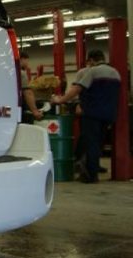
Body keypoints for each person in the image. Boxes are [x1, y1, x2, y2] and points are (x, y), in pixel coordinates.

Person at [52, 49, 121, 183]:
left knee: (91, 144)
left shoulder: (93, 71)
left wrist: (60, 100)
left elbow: (77, 89)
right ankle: (93, 169)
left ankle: (90, 175)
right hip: (109, 114)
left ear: (91, 60)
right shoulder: (116, 73)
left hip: (92, 113)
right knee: (99, 143)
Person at [19, 52, 43, 122]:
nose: (27, 63)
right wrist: (35, 111)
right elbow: (27, 93)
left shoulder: (8, 71)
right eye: (27, 60)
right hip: (19, 109)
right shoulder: (21, 73)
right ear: (22, 59)